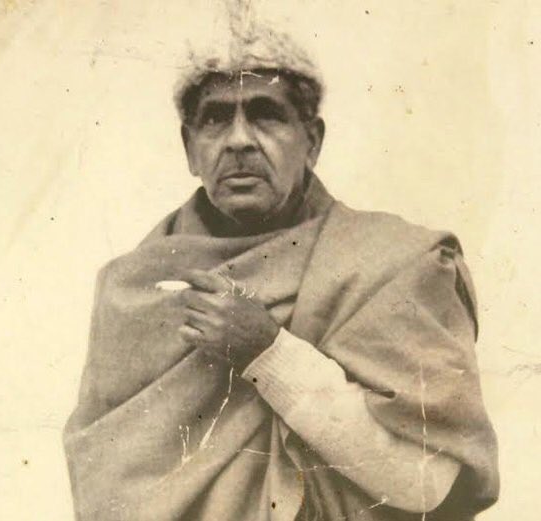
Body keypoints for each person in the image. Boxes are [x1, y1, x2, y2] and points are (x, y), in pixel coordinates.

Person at [63, 13, 499, 521]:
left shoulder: (394, 266)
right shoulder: (134, 290)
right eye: (216, 119)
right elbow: (106, 492)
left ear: (312, 141)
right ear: (190, 148)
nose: (239, 141)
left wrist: (268, 354)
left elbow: (428, 483)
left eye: (265, 114)